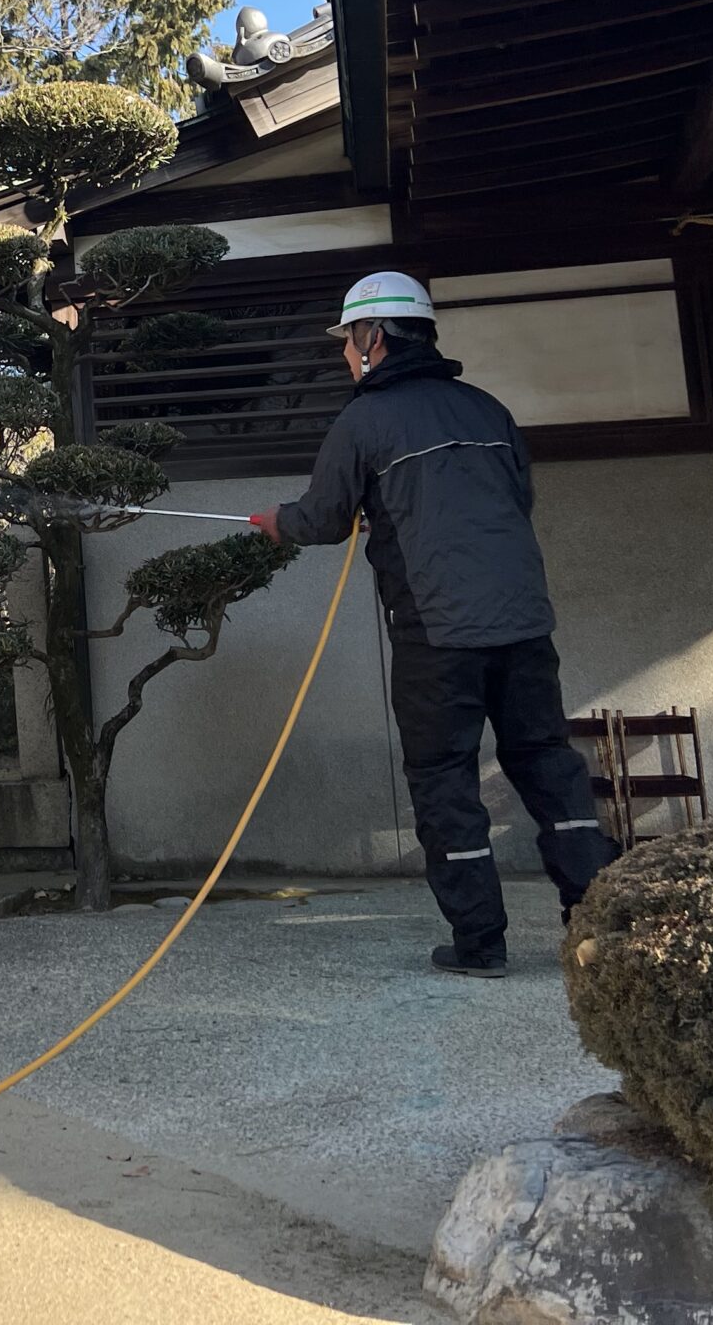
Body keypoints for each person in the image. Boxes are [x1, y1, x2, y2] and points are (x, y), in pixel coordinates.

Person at [249, 271, 617, 977]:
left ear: (374, 337)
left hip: (436, 630)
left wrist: (275, 525)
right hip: (524, 621)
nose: (345, 355)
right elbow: (519, 499)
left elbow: (322, 519)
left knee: (445, 779)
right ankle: (596, 920)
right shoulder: (488, 410)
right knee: (548, 763)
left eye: (347, 342)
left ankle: (481, 945)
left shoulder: (364, 420)